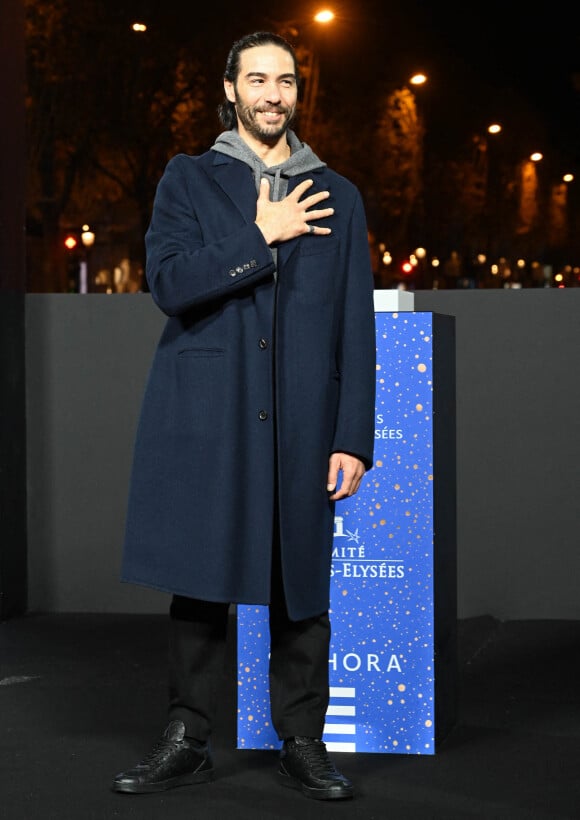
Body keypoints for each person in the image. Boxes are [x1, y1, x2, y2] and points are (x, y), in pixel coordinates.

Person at [113, 31, 376, 802]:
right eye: (256, 79)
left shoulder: (341, 193)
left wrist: (352, 437)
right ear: (228, 89)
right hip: (211, 416)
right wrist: (260, 234)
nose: (272, 94)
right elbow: (170, 282)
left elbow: (352, 329)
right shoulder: (188, 179)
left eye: (286, 82)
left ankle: (303, 742)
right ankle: (186, 739)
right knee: (199, 583)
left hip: (303, 421)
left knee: (303, 587)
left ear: (299, 94)